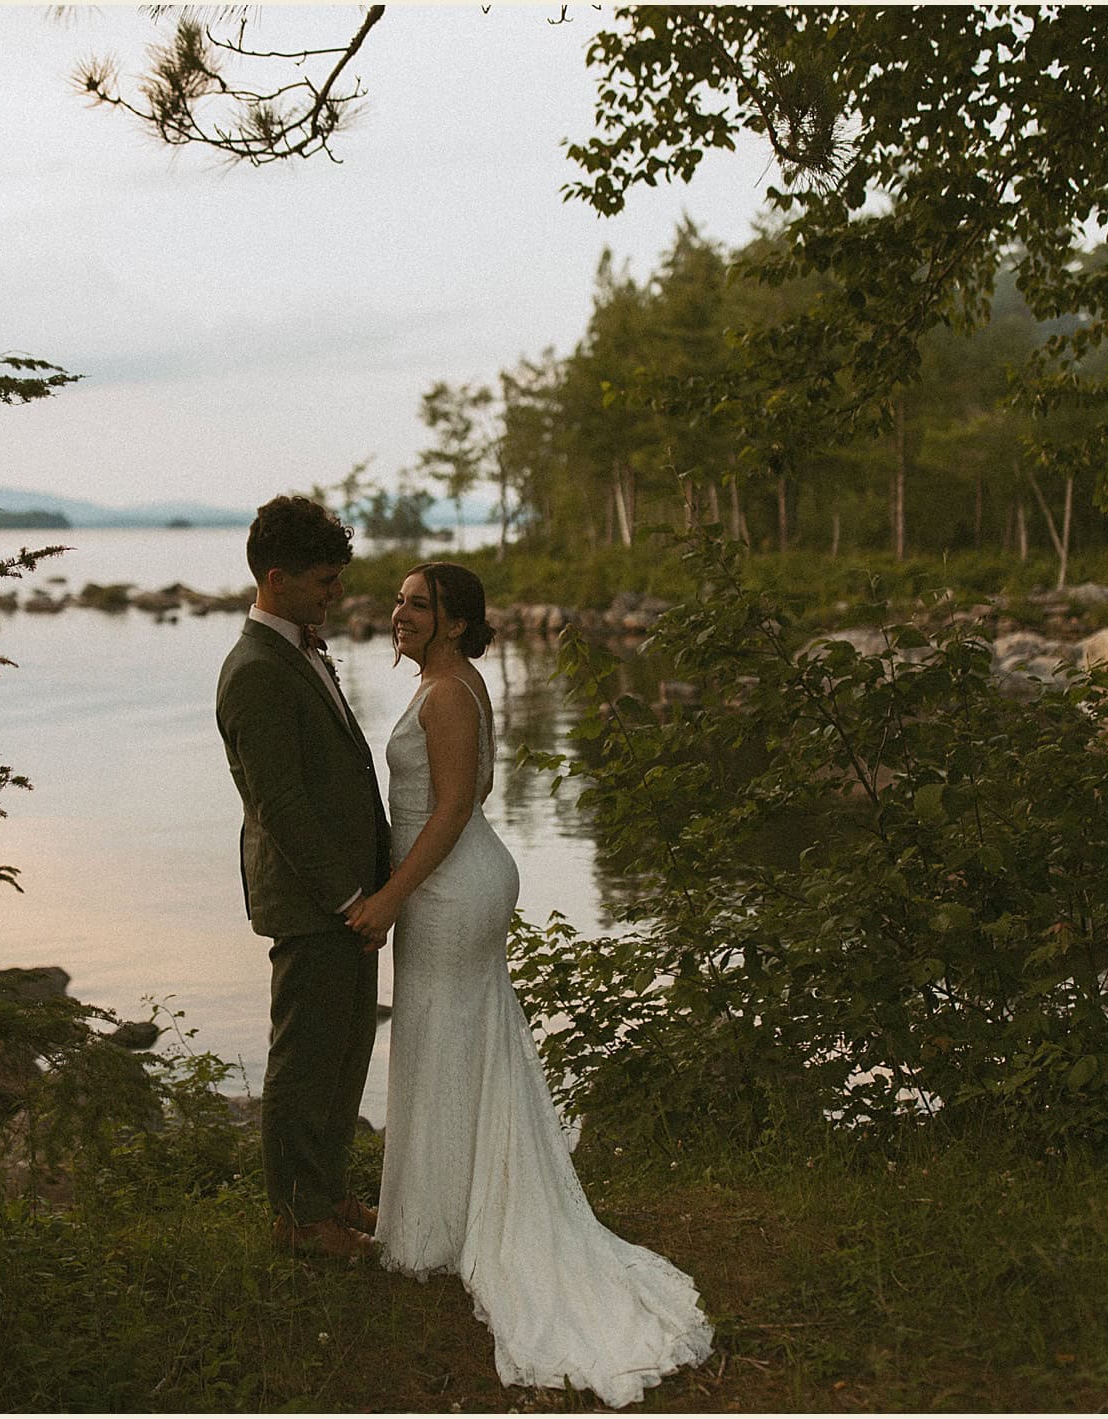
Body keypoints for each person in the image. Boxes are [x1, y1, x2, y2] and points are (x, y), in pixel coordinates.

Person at [345, 562, 713, 1408]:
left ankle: (434, 1230)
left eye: (416, 604)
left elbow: (447, 812)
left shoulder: (447, 694)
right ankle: (440, 1215)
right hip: (456, 883)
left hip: (447, 888)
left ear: (452, 619)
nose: (398, 612)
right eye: (399, 601)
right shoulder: (455, 681)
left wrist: (391, 897)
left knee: (440, 1036)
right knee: (453, 1038)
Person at [215, 496, 391, 1260]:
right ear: (277, 578)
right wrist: (351, 896)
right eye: (323, 580)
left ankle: (328, 1191)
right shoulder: (255, 669)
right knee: (304, 1058)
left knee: (348, 1046)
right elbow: (279, 803)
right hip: (317, 898)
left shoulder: (301, 648)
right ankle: (296, 1217)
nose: (335, 592)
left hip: (350, 897)